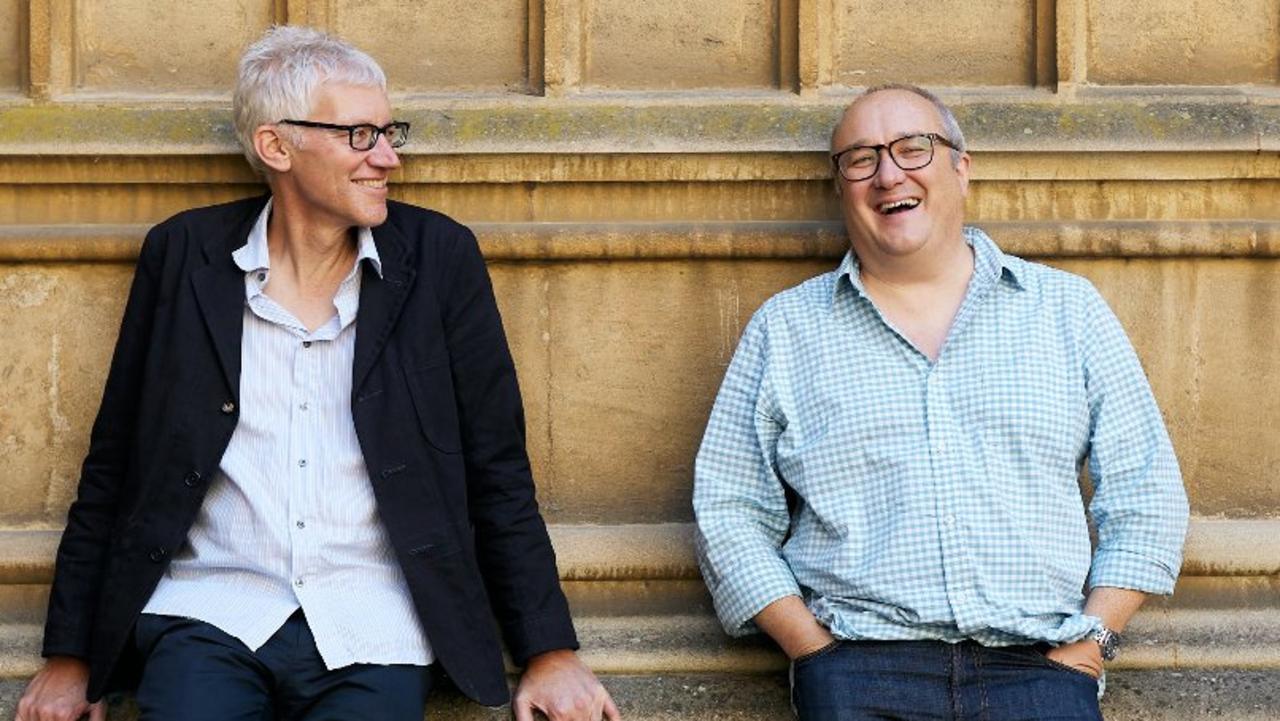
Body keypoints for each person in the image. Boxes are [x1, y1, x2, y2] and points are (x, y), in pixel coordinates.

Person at [17, 25, 618, 721]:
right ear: (277, 145)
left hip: (375, 620)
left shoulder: (439, 258)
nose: (388, 158)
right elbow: (117, 464)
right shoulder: (184, 256)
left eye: (391, 133)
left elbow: (498, 469)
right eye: (360, 136)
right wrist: (71, 658)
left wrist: (548, 650)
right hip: (209, 610)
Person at [692, 84, 1189, 720]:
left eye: (912, 148)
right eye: (861, 158)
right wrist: (811, 651)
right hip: (860, 669)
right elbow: (729, 506)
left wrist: (1090, 644)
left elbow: (1147, 492)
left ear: (961, 167)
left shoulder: (1067, 310)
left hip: (1039, 671)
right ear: (842, 185)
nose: (888, 173)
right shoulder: (787, 329)